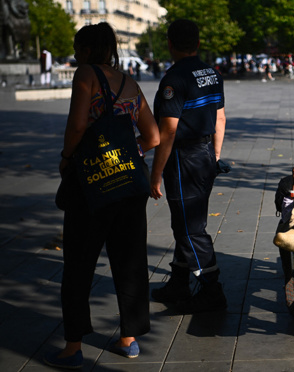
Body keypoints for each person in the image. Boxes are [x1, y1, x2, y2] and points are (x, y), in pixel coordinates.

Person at [44, 22, 160, 369]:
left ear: (87, 50)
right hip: (129, 185)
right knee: (130, 261)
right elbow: (153, 137)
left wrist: (67, 157)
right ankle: (129, 338)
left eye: (78, 48)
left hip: (92, 185)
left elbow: (78, 125)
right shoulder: (130, 83)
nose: (77, 54)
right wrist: (127, 151)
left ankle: (74, 345)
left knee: (79, 263)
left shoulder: (86, 75)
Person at [150, 19, 227, 314]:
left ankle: (212, 291)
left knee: (190, 228)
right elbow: (220, 118)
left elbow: (167, 132)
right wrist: (214, 157)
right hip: (205, 154)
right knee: (185, 222)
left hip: (184, 160)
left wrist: (155, 173)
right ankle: (180, 283)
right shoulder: (212, 73)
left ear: (170, 44)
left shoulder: (174, 79)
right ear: (197, 43)